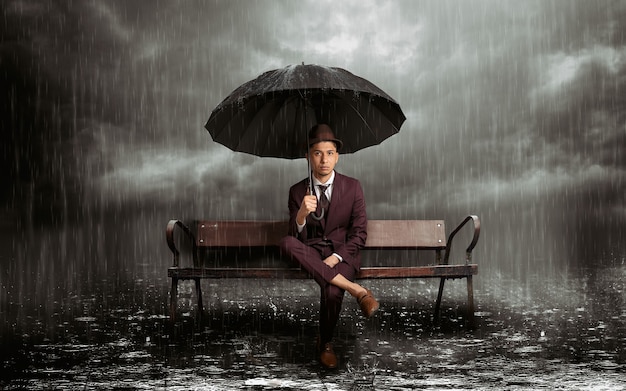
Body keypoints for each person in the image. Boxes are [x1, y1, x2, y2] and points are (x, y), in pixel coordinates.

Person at [279, 123, 379, 369]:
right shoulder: (296, 191)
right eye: (317, 153)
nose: (324, 159)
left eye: (329, 153)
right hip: (310, 253)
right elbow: (294, 236)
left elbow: (359, 234)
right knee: (285, 242)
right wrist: (301, 214)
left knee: (333, 292)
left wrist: (336, 257)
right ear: (308, 156)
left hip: (342, 254)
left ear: (337, 156)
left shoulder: (353, 186)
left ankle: (324, 343)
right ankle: (357, 290)